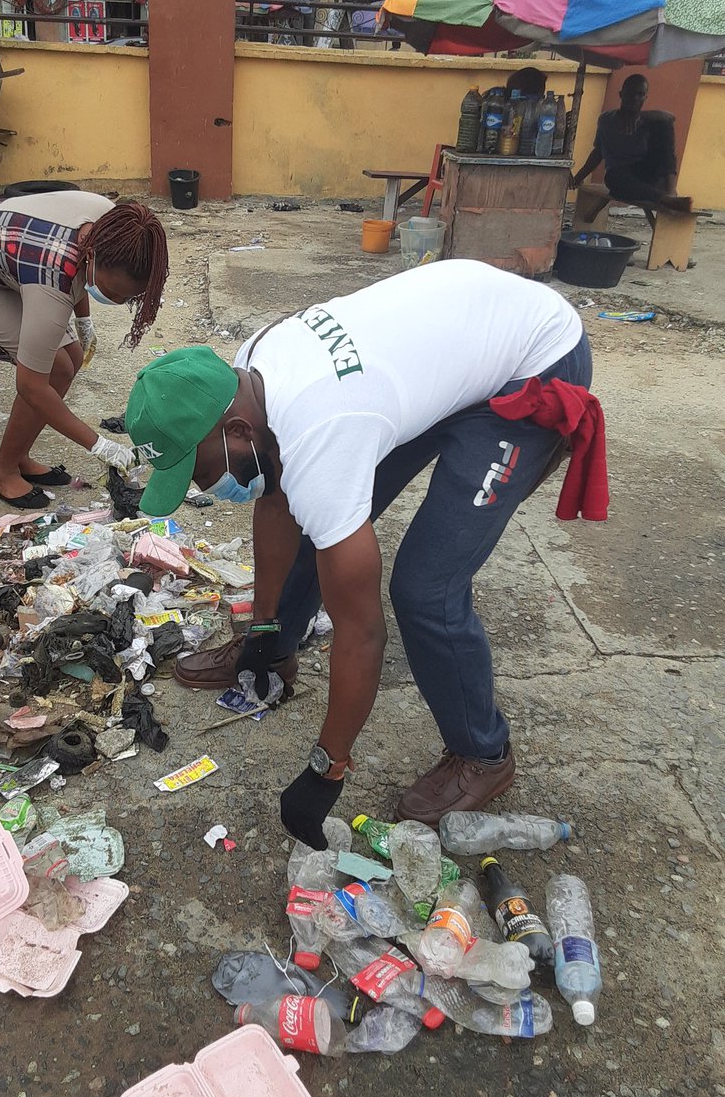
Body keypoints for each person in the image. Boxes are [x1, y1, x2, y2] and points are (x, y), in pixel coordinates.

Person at [123, 260, 607, 849]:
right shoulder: (248, 371)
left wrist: (327, 767)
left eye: (197, 471)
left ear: (239, 433)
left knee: (427, 588)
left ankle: (484, 753)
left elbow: (361, 632)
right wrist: (265, 632)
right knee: (314, 515)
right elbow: (278, 502)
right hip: (447, 349)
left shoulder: (321, 432)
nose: (201, 490)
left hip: (530, 363)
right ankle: (277, 655)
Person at [0, 191, 167, 508]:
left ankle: (18, 457)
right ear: (94, 257)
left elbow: (82, 270)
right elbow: (30, 386)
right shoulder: (52, 275)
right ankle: (2, 473)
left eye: (127, 298)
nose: (116, 301)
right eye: (112, 292)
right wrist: (101, 446)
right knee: (54, 369)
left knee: (68, 359)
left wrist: (84, 320)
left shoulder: (115, 226)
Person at [571, 74, 689, 212]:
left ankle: (670, 193)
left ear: (646, 97)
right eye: (630, 93)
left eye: (640, 94)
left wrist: (640, 116)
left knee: (664, 126)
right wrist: (578, 177)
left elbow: (670, 117)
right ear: (621, 94)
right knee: (611, 177)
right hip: (622, 177)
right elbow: (598, 152)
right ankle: (664, 199)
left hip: (647, 172)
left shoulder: (650, 120)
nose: (635, 99)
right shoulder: (606, 120)